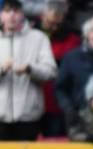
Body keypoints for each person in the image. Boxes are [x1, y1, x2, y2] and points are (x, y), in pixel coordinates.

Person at [0, 0, 57, 141]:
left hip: (29, 117)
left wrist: (30, 69)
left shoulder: (39, 38)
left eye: (16, 11)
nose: (12, 15)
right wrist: (2, 70)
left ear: (23, 14)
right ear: (1, 15)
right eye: (7, 11)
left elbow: (51, 72)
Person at [36, 0, 80, 137]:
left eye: (57, 24)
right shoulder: (32, 34)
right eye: (50, 23)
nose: (53, 27)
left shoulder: (73, 38)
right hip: (35, 99)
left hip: (57, 102)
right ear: (42, 16)